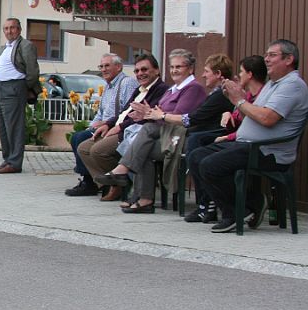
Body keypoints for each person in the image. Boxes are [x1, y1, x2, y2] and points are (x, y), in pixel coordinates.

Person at [187, 39, 308, 233]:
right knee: (196, 156)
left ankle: (236, 211)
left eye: (272, 55)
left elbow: (268, 118)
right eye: (266, 55)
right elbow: (250, 114)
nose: (266, 59)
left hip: (268, 151)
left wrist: (239, 100)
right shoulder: (272, 84)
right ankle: (251, 203)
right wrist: (236, 100)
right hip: (248, 145)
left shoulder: (292, 85)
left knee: (210, 165)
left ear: (289, 59)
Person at [96, 50, 223, 214]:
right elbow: (159, 113)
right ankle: (143, 198)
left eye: (179, 67)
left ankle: (127, 176)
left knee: (146, 132)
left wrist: (155, 115)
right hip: (164, 135)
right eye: (172, 67)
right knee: (144, 147)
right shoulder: (173, 90)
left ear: (190, 69)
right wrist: (148, 113)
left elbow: (178, 117)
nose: (174, 70)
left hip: (180, 138)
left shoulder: (193, 89)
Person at [184, 55, 267, 223]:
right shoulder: (246, 96)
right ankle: (210, 203)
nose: (238, 76)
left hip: (256, 146)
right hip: (239, 139)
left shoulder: (253, 96)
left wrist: (227, 135)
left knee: (206, 158)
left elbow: (256, 125)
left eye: (241, 72)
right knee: (197, 150)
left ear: (249, 74)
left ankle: (239, 205)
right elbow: (242, 121)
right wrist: (230, 114)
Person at [77, 53, 168, 201]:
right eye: (137, 71)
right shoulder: (139, 90)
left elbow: (144, 116)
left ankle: (120, 181)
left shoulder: (160, 89)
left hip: (133, 132)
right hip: (120, 128)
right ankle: (113, 184)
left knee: (97, 151)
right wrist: (108, 124)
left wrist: (119, 127)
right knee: (83, 148)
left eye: (144, 69)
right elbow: (124, 112)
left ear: (157, 70)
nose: (140, 74)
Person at [64, 53, 137, 195]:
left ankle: (90, 182)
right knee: (78, 136)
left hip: (116, 127)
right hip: (104, 126)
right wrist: (92, 125)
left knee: (80, 139)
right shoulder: (108, 87)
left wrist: (108, 124)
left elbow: (127, 110)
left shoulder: (127, 83)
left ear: (119, 67)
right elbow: (100, 113)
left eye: (107, 66)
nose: (103, 69)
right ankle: (94, 180)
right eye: (101, 66)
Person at [0, 18, 41, 174]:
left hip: (13, 88)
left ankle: (15, 162)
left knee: (14, 127)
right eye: (6, 28)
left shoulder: (26, 45)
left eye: (12, 28)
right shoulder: (4, 47)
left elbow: (32, 71)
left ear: (19, 29)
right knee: (4, 127)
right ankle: (8, 159)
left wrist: (22, 88)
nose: (9, 31)